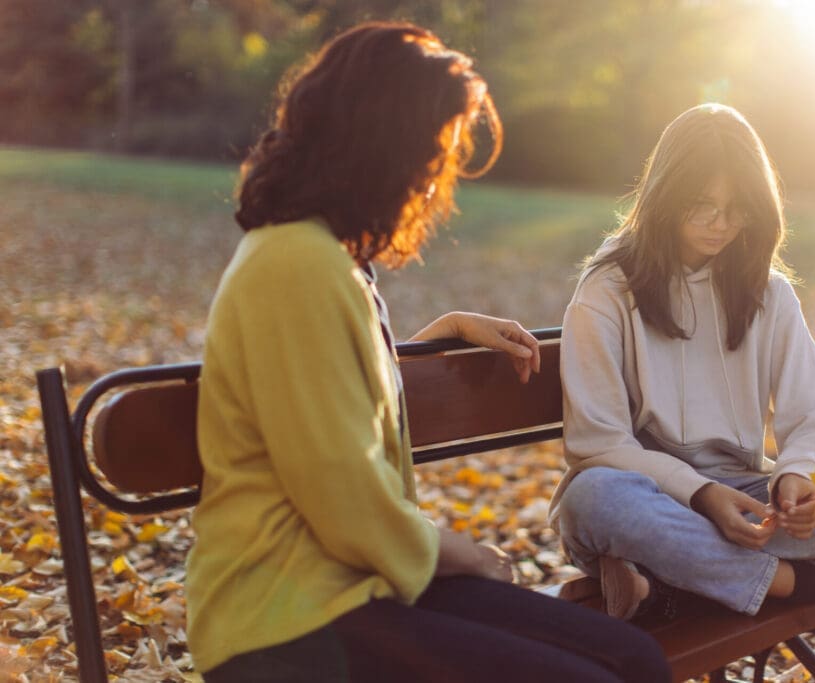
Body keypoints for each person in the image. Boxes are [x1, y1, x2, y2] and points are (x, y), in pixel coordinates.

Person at [186, 21, 670, 683]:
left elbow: (334, 412)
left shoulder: (331, 261)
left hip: (357, 586)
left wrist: (436, 337)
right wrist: (462, 553)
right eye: (430, 151)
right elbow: (343, 495)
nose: (434, 179)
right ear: (378, 146)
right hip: (284, 618)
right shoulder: (293, 264)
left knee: (635, 658)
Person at [552, 103, 815, 621]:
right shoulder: (606, 289)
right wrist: (702, 494)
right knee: (595, 498)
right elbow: (599, 444)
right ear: (665, 195)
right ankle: (797, 583)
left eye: (738, 208)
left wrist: (796, 478)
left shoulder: (767, 291)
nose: (721, 223)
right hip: (655, 501)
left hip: (754, 501)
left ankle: (678, 580)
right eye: (702, 204)